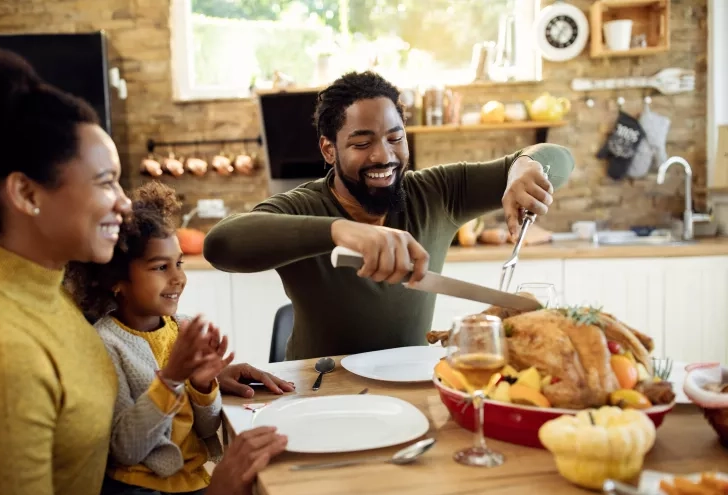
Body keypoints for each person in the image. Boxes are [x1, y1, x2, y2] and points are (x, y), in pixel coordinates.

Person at [0, 46, 289, 495]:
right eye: (106, 182)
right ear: (26, 194)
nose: (123, 204)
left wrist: (204, 377)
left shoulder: (49, 295)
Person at [204, 71, 575, 361]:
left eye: (395, 138)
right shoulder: (303, 206)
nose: (384, 156)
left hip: (413, 387)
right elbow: (221, 244)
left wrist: (524, 166)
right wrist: (342, 232)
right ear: (329, 150)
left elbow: (559, 158)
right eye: (362, 143)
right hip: (319, 390)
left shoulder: (438, 192)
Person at [64, 181, 253, 495]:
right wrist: (171, 379)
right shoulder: (105, 344)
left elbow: (208, 428)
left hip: (192, 479)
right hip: (135, 487)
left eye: (178, 263)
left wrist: (202, 384)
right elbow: (126, 449)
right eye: (160, 267)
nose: (179, 277)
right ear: (116, 279)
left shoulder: (180, 328)